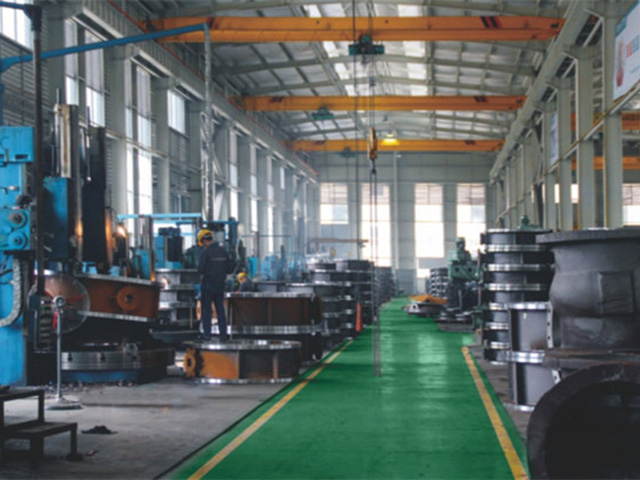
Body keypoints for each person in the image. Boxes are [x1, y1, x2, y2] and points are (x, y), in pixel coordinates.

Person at [197, 229, 234, 341]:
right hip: (220, 285)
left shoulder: (205, 252)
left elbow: (201, 269)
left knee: (207, 310)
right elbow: (230, 268)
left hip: (208, 285)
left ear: (204, 241)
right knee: (220, 310)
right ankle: (223, 334)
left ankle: (207, 334)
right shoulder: (223, 251)